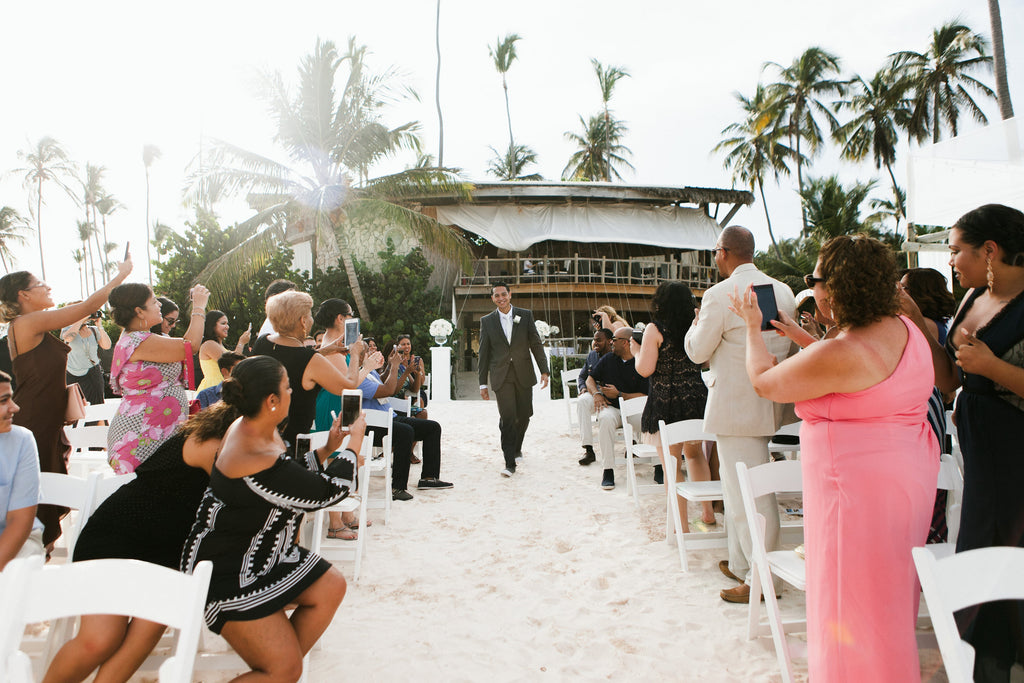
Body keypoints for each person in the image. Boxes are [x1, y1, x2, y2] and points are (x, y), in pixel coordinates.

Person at [729, 234, 937, 682]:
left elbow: (766, 383)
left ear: (836, 287)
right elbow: (862, 377)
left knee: (849, 604)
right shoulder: (905, 329)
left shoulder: (844, 350)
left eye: (814, 278)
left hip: (854, 499)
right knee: (887, 600)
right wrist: (803, 337)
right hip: (901, 485)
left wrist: (751, 327)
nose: (813, 285)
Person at [44, 357, 266, 683]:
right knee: (99, 640)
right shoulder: (216, 441)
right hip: (118, 535)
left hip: (166, 549)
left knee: (149, 627)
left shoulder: (233, 435)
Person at [180, 357, 357, 681]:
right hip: (227, 574)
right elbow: (329, 492)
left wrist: (326, 449)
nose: (292, 392)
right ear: (272, 400)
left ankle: (278, 670)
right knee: (283, 669)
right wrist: (353, 446)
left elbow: (286, 474)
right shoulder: (252, 452)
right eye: (287, 387)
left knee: (330, 586)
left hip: (262, 554)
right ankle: (279, 671)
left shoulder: (252, 427)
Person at [905, 204, 1024, 682]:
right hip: (978, 445)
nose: (951, 260)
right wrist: (915, 319)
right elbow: (951, 378)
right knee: (979, 546)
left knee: (1007, 550)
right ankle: (981, 659)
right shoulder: (972, 295)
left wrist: (993, 367)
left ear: (990, 250)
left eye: (956, 250)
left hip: (1016, 447)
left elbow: (982, 369)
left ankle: (995, 663)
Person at [683, 226, 796, 603]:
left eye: (716, 252)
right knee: (740, 492)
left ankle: (763, 579)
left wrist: (695, 324)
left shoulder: (719, 294)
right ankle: (741, 561)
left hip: (735, 406)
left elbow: (698, 352)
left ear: (724, 252)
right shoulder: (784, 290)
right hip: (772, 398)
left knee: (750, 495)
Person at [0, 259, 131, 547]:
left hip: (44, 418)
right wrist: (120, 276)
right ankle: (30, 557)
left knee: (42, 490)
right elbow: (86, 307)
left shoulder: (31, 325)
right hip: (35, 419)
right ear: (24, 295)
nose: (48, 287)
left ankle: (37, 553)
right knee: (37, 491)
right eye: (39, 285)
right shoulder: (27, 322)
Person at [252, 291, 382, 455]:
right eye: (309, 315)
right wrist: (355, 353)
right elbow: (348, 386)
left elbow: (291, 358)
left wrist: (327, 349)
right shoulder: (309, 358)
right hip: (293, 442)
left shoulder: (262, 343)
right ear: (303, 321)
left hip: (259, 436)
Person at [633, 282, 716, 528]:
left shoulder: (655, 329)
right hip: (695, 399)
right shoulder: (696, 327)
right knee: (695, 454)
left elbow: (646, 369)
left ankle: (681, 524)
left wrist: (637, 352)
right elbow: (704, 362)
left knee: (671, 463)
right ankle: (707, 512)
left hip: (666, 402)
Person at [107, 283, 210, 474]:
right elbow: (190, 345)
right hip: (140, 436)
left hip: (150, 432)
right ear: (139, 311)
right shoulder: (138, 340)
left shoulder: (139, 337)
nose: (159, 305)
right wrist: (199, 307)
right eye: (154, 301)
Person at [354, 351, 453, 500]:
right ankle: (397, 488)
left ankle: (429, 478)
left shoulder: (370, 372)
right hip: (374, 425)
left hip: (390, 417)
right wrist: (394, 367)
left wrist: (388, 368)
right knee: (405, 432)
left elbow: (383, 382)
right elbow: (389, 390)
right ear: (360, 357)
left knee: (432, 427)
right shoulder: (359, 378)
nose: (371, 354)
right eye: (367, 351)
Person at [478, 282, 550, 477]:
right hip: (501, 376)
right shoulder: (487, 321)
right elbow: (483, 354)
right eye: (496, 295)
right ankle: (509, 462)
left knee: (525, 414)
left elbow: (535, 343)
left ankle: (517, 446)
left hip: (523, 372)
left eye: (504, 294)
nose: (500, 298)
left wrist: (545, 370)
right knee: (508, 417)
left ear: (510, 295)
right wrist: (482, 383)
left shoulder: (525, 315)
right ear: (492, 298)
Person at [584, 327, 648, 490]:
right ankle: (608, 470)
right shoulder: (608, 359)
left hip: (634, 409)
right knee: (604, 418)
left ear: (626, 343)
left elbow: (645, 394)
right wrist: (597, 394)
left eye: (615, 339)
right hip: (612, 408)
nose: (611, 342)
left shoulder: (641, 361)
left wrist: (620, 394)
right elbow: (589, 379)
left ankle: (659, 466)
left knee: (652, 420)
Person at [0, 371, 44, 570]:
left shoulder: (22, 441)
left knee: (18, 567)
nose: (15, 408)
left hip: (18, 540)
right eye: (3, 401)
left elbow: (19, 522)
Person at [576, 328, 614, 466]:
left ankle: (632, 443)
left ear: (610, 341)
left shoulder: (617, 355)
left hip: (614, 396)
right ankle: (588, 449)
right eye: (594, 339)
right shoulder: (592, 355)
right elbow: (582, 376)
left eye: (599, 340)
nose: (595, 342)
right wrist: (583, 388)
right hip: (594, 394)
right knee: (582, 401)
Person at [61, 308, 111, 405]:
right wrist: (81, 319)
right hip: (72, 373)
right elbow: (68, 338)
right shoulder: (67, 330)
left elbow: (107, 346)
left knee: (97, 406)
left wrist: (99, 326)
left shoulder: (94, 330)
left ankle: (99, 421)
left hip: (92, 372)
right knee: (75, 407)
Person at [899, 267, 957, 345]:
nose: (899, 292)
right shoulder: (935, 324)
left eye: (903, 288)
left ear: (920, 293)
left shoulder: (924, 324)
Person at [196, 311, 251, 392]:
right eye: (223, 323)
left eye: (227, 323)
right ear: (212, 325)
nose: (227, 327)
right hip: (213, 389)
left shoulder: (221, 346)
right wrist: (241, 343)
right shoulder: (209, 344)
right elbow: (231, 362)